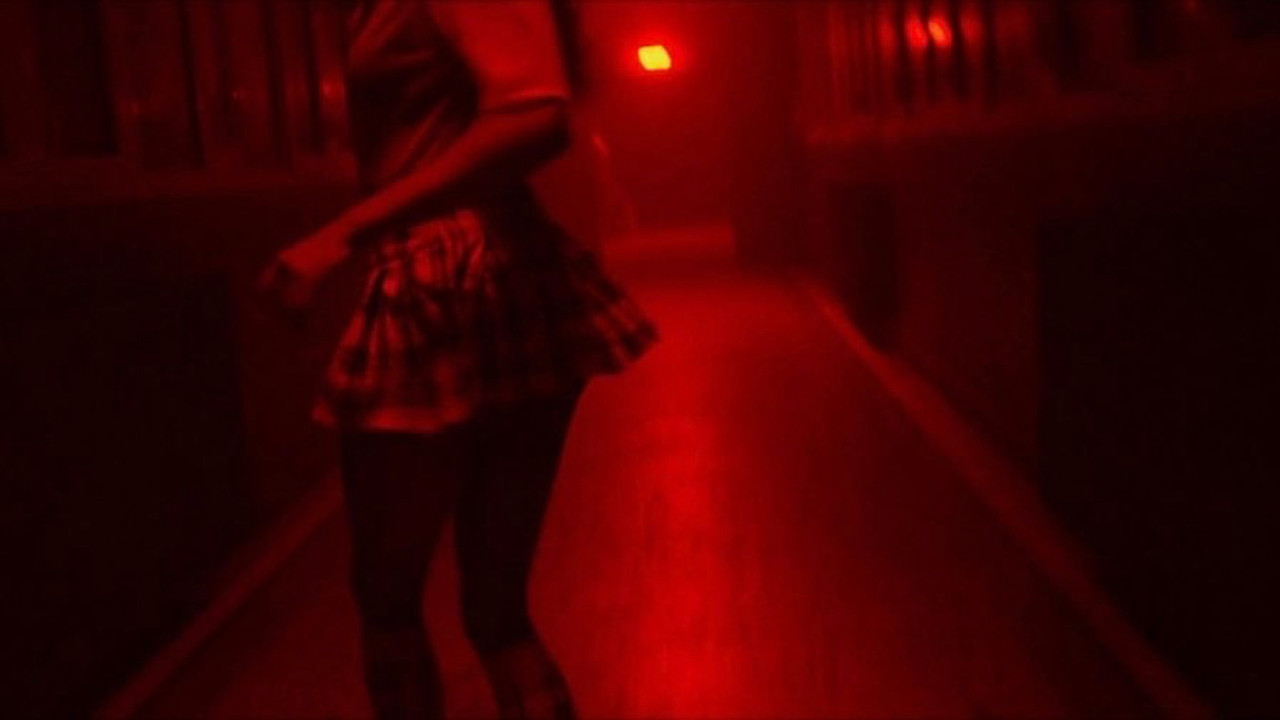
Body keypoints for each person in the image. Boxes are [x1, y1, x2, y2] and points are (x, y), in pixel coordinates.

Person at [256, 1, 657, 717]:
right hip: (503, 271)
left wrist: (343, 232)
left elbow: (535, 116)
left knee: (387, 598)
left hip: (440, 275)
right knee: (495, 609)